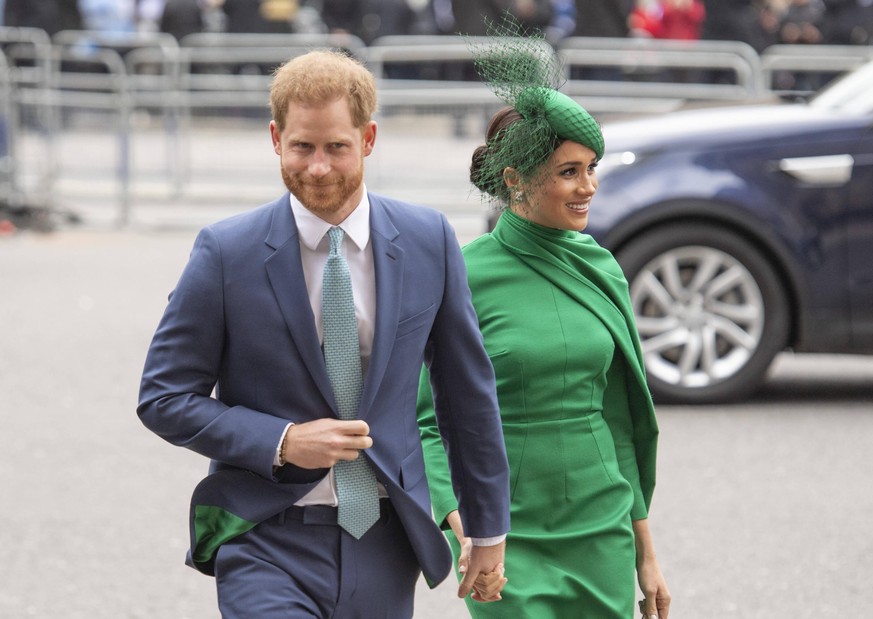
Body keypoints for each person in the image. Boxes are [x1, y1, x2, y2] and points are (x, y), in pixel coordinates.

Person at [137, 49, 511, 618]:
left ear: (367, 139)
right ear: (274, 138)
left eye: (336, 147)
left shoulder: (428, 239)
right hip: (264, 533)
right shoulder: (225, 253)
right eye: (301, 147)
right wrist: (283, 440)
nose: (317, 168)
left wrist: (486, 529)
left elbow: (467, 396)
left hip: (385, 538)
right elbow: (163, 398)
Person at [417, 24, 671, 619]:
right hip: (505, 533)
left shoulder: (601, 267)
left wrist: (646, 553)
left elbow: (618, 417)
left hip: (601, 526)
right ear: (515, 180)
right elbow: (427, 418)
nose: (589, 187)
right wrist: (465, 526)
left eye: (591, 168)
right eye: (569, 172)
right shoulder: (463, 273)